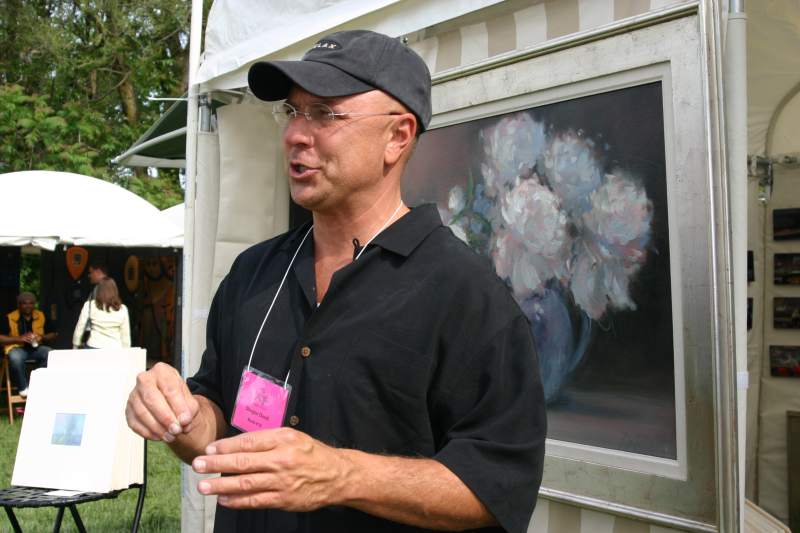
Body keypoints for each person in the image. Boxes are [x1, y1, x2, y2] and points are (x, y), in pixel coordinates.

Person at [126, 30, 546, 533]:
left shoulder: (467, 295)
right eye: (293, 112)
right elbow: (217, 420)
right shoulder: (253, 273)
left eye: (325, 114)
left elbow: (497, 486)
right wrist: (183, 418)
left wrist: (341, 475)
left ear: (398, 136)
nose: (294, 135)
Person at [0, 292, 57, 397]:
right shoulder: (9, 317)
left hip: (36, 348)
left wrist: (42, 337)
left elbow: (54, 334)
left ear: (34, 304)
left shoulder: (41, 315)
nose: (28, 306)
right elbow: (1, 338)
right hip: (17, 348)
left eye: (31, 303)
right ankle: (23, 388)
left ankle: (37, 383)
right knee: (15, 357)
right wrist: (19, 338)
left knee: (51, 354)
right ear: (19, 305)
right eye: (24, 303)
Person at [72, 278, 131, 349]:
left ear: (98, 291)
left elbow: (80, 327)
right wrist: (126, 351)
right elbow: (125, 335)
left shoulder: (89, 305)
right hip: (115, 348)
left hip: (93, 346)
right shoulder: (122, 309)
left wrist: (75, 344)